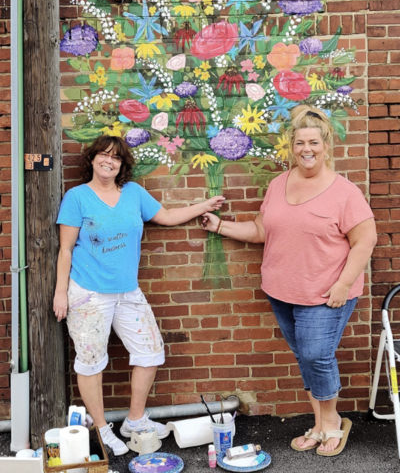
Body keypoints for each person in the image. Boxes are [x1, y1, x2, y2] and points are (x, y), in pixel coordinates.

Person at [201, 105, 376, 457]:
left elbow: (366, 239)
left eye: (313, 142)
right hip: (283, 290)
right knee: (306, 357)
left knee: (316, 355)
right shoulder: (279, 183)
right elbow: (264, 230)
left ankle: (332, 423)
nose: (306, 149)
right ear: (292, 147)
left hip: (326, 292)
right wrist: (219, 226)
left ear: (326, 146)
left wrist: (343, 284)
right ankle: (320, 423)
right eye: (299, 143)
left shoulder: (344, 192)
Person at [53, 135, 225, 456]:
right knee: (91, 362)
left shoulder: (133, 193)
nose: (109, 161)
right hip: (87, 294)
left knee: (150, 351)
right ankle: (103, 429)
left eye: (116, 158)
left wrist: (204, 205)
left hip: (127, 292)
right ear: (92, 160)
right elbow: (65, 249)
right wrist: (60, 292)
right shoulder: (76, 197)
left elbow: (167, 217)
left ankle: (134, 420)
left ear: (122, 165)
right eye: (103, 155)